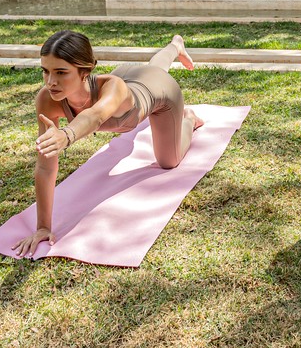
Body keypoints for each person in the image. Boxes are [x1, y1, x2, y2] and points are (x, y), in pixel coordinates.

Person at [13, 31, 204, 257]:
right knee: (152, 69)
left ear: (84, 71)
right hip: (131, 74)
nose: (51, 82)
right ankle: (175, 46)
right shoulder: (47, 98)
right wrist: (43, 227)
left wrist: (66, 135)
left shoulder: (112, 88)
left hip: (161, 94)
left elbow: (95, 116)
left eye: (61, 72)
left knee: (168, 161)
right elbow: (45, 167)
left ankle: (189, 117)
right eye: (45, 71)